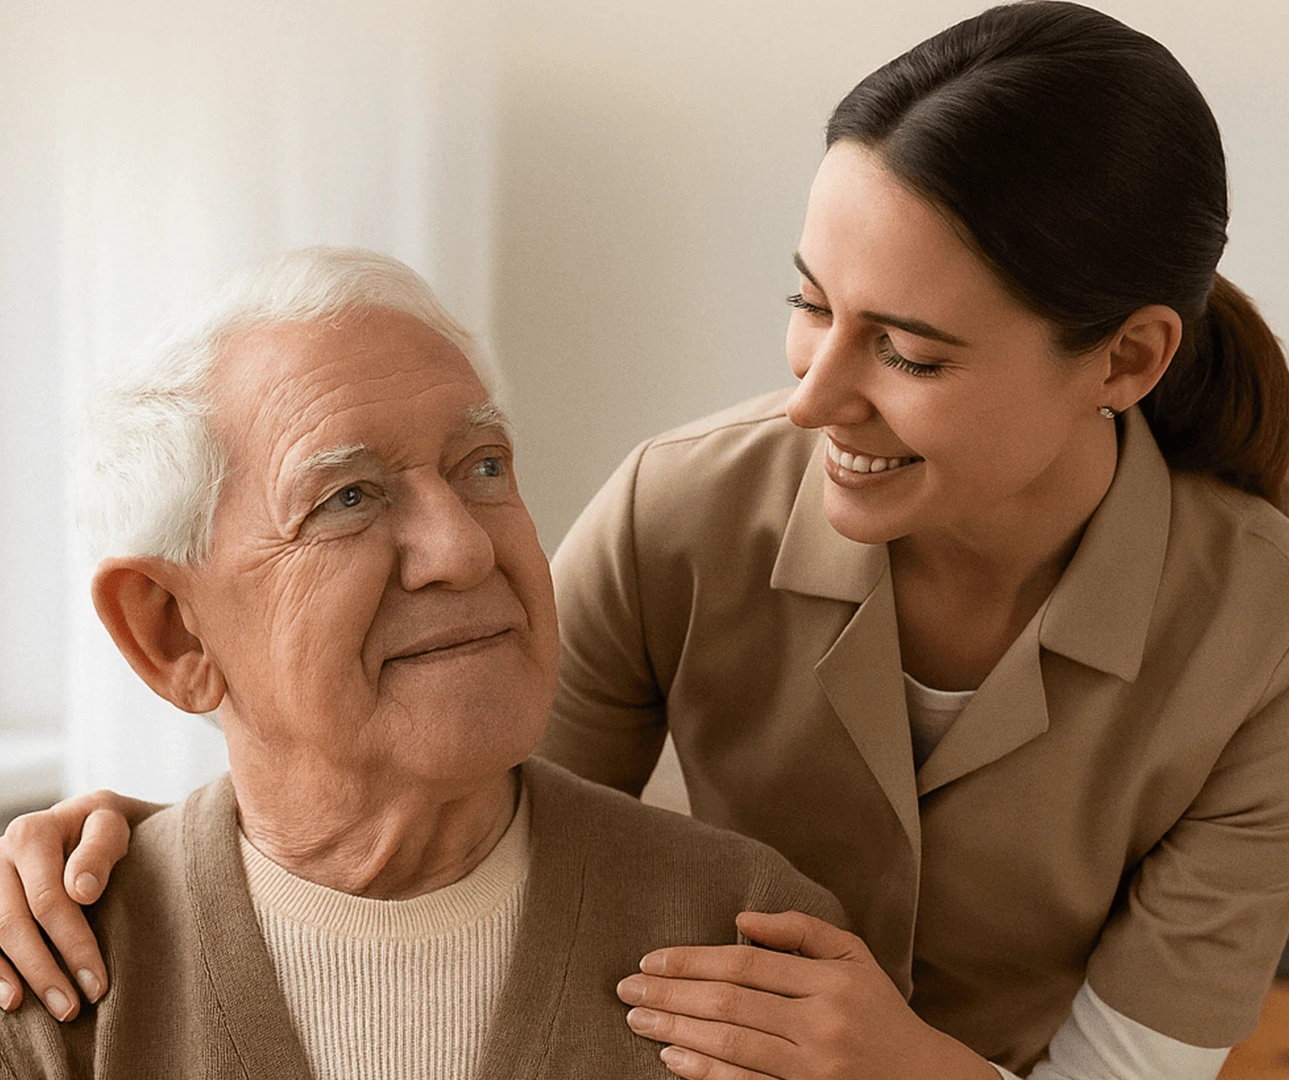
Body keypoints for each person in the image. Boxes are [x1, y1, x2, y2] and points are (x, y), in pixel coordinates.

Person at [5, 2, 1289, 1078]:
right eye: (808, 303)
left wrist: (897, 1062)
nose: (810, 395)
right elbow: (451, 816)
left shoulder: (1260, 638)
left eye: (905, 351)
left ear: (1125, 359)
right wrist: (170, 851)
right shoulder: (680, 512)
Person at [0, 247, 847, 1079]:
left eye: (482, 467)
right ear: (173, 633)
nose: (463, 548)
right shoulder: (46, 981)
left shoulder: (751, 938)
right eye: (347, 498)